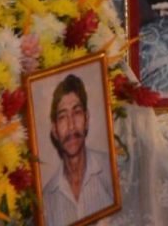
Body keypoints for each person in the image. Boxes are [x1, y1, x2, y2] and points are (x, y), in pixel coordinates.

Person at [41, 74, 115, 226]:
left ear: (87, 119)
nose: (71, 126)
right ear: (54, 129)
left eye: (77, 112)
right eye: (62, 117)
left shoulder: (111, 170)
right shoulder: (46, 199)